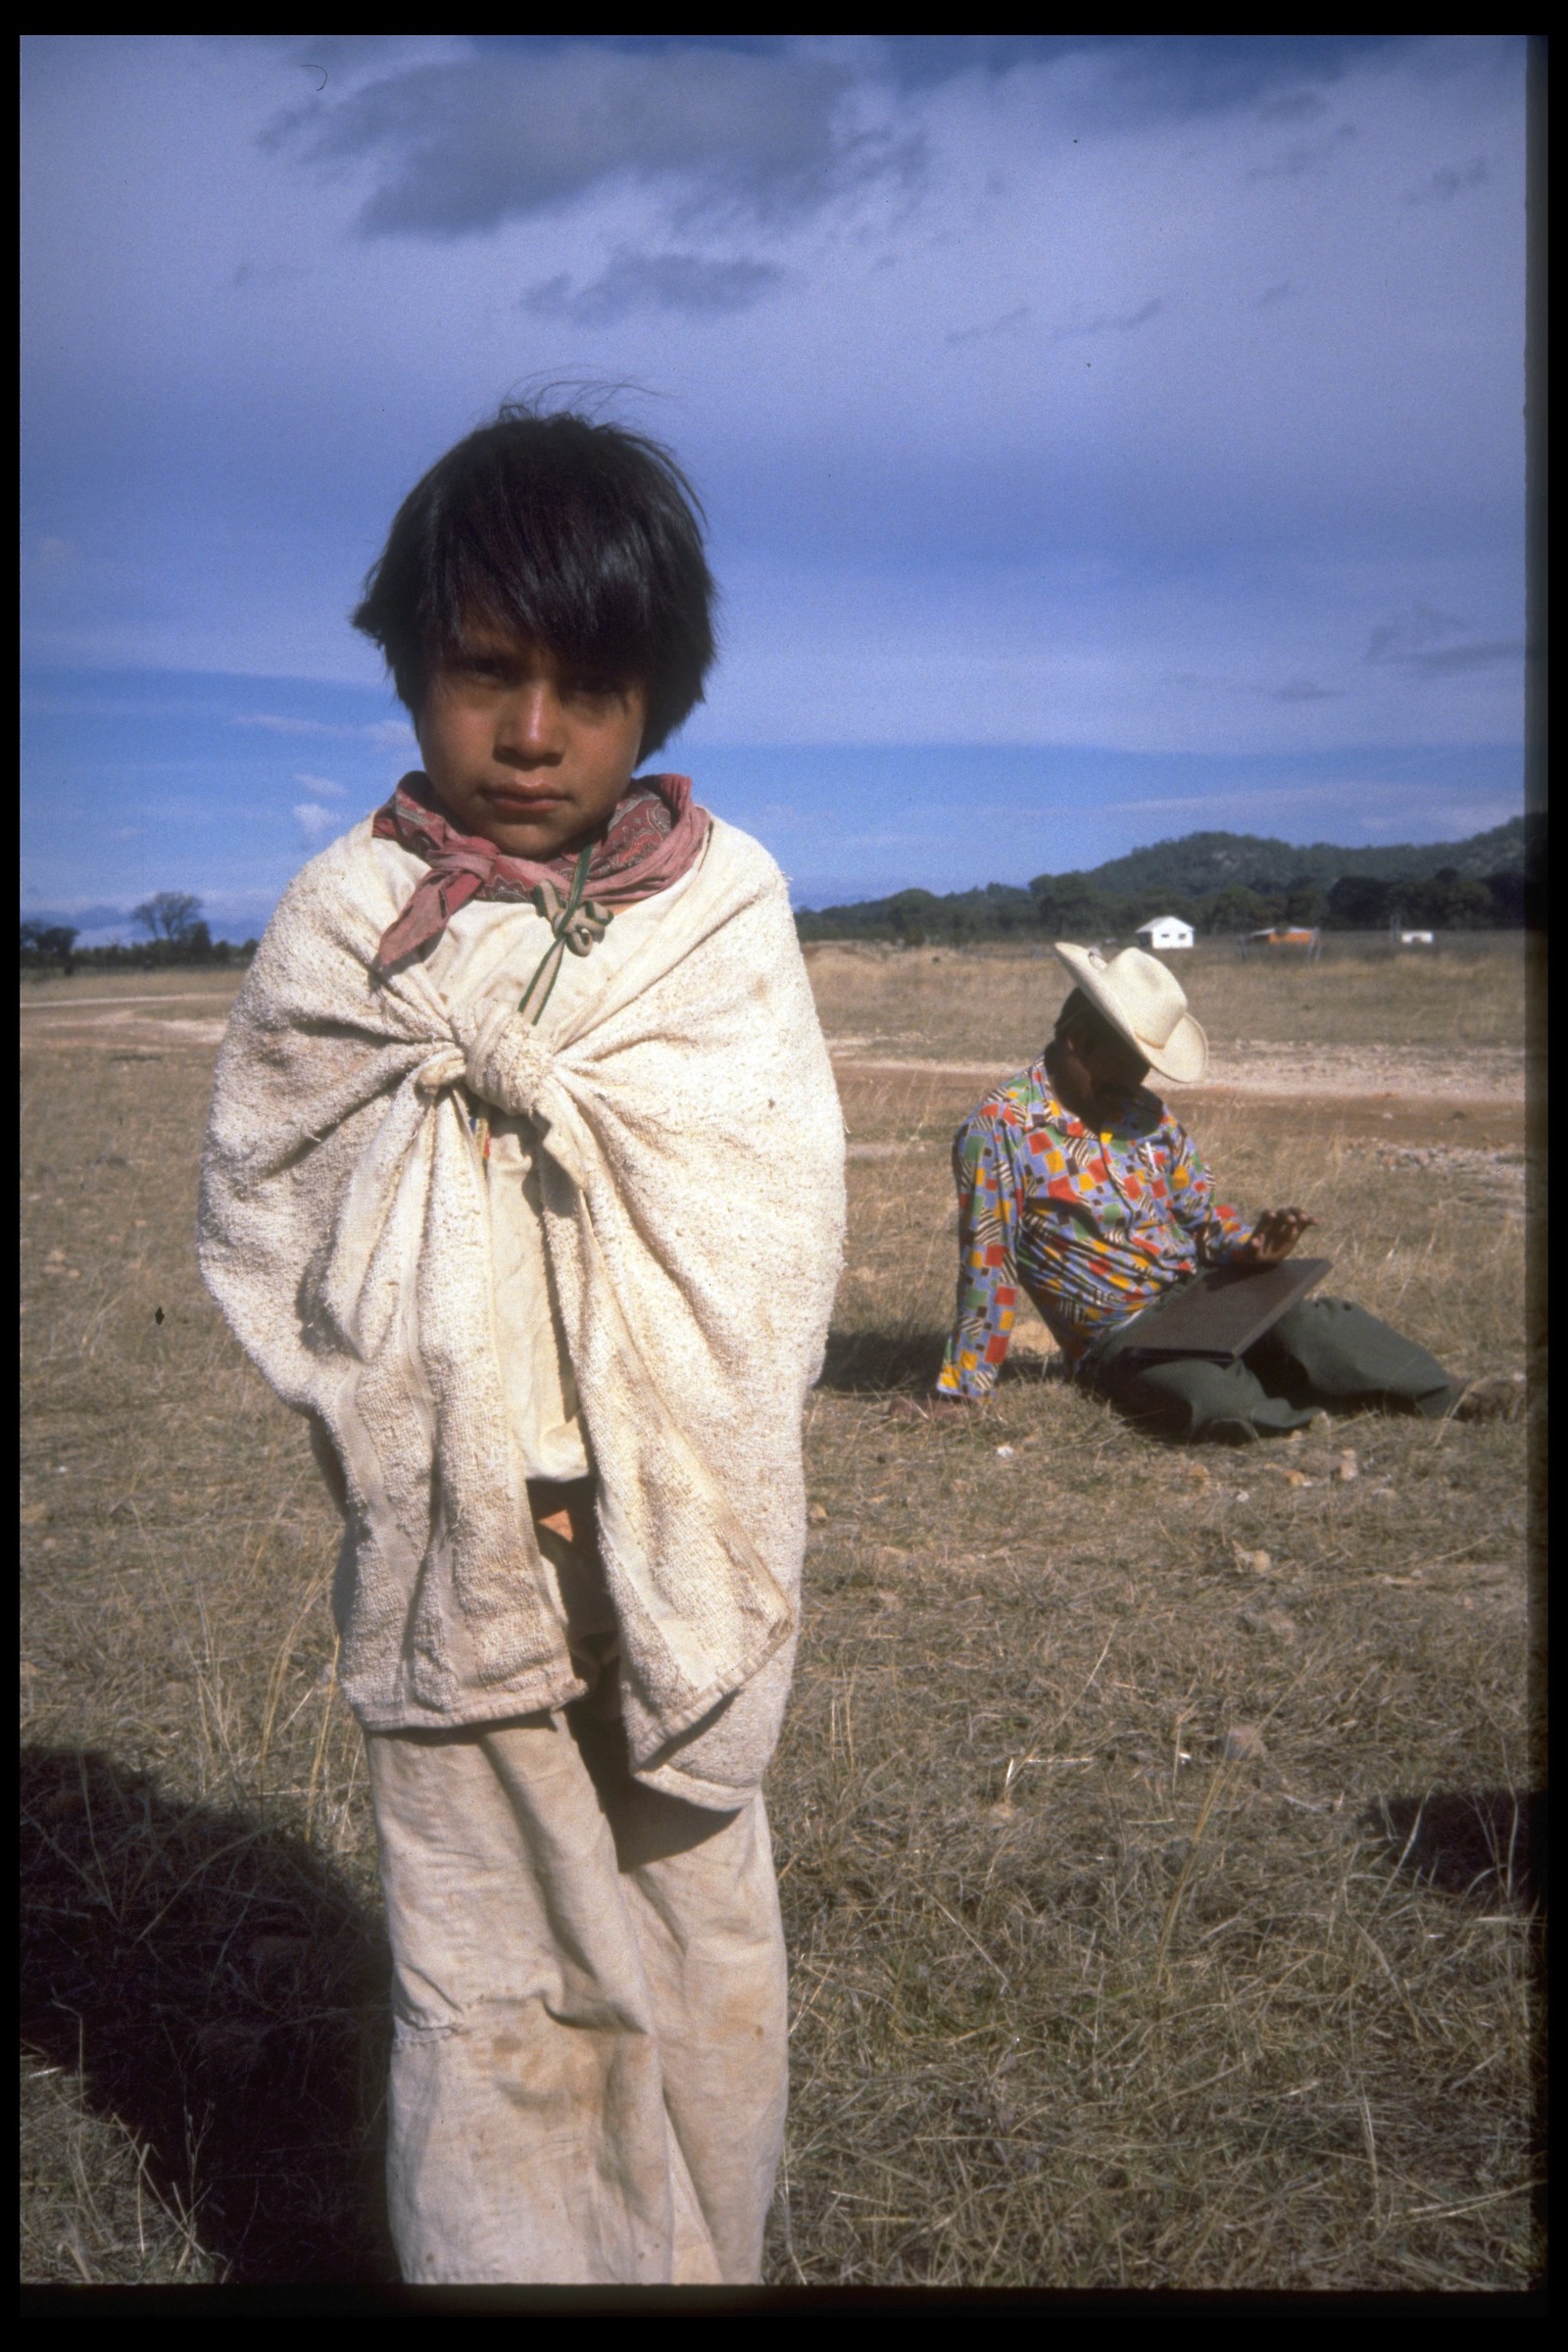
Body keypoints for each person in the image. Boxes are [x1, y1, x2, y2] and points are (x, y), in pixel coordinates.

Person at [198, 405, 846, 2284]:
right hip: (460, 1526)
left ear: (665, 697)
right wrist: (432, 1410)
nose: (536, 733)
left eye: (590, 686)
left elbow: (772, 1221)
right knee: (493, 1971)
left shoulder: (721, 914)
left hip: (677, 1527)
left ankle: (696, 2253)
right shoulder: (346, 926)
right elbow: (272, 1210)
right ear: (412, 670)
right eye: (487, 675)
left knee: (692, 1934)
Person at [927, 943, 1519, 1440]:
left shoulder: (1145, 1112)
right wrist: (964, 1391)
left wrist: (1252, 1247)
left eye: (1143, 1073)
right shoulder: (997, 1130)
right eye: (1121, 1071)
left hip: (1205, 1295)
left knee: (1322, 1328)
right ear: (1077, 1040)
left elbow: (1203, 1217)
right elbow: (989, 1263)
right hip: (1120, 1337)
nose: (1133, 1089)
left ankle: (1452, 1395)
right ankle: (1292, 1407)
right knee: (1206, 1397)